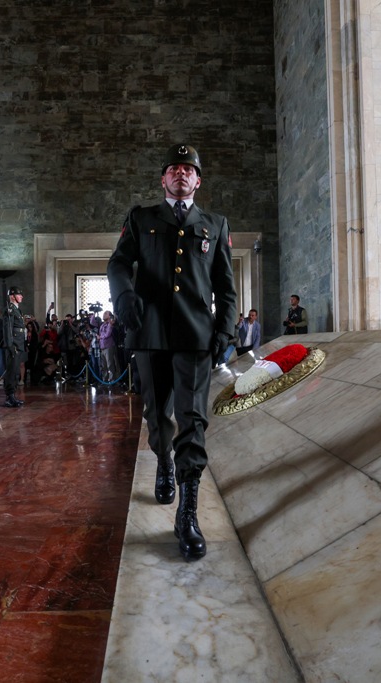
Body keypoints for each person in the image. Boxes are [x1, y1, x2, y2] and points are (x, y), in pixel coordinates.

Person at [108, 143, 236, 561]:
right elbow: (118, 264)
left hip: (195, 336)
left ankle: (187, 513)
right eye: (174, 169)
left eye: (189, 170)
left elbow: (226, 286)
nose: (181, 175)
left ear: (198, 181)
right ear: (163, 179)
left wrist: (225, 330)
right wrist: (124, 295)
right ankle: (163, 460)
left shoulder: (214, 225)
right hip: (149, 331)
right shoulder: (142, 218)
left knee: (193, 420)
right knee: (156, 412)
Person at [2, 286, 26, 408]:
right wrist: (10, 345)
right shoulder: (10, 309)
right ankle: (9, 397)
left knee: (16, 371)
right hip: (14, 345)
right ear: (12, 296)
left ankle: (13, 396)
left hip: (19, 344)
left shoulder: (17, 310)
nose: (21, 296)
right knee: (11, 371)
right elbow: (8, 329)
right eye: (18, 294)